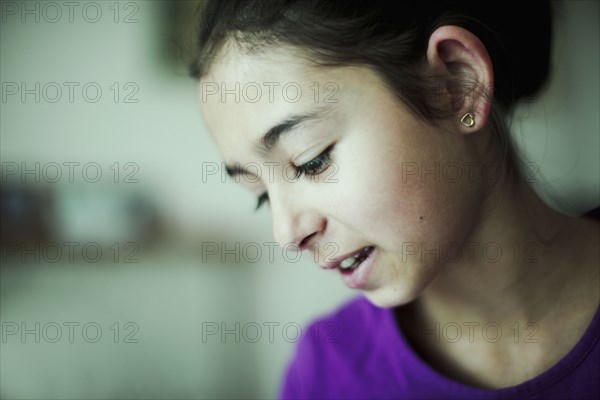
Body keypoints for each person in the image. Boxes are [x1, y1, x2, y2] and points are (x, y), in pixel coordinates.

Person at [189, 1, 600, 398]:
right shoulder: (326, 375)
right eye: (260, 195)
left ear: (457, 84)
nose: (286, 234)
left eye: (311, 161)